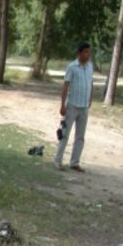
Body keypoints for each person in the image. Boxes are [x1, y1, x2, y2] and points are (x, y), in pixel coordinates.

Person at [54, 42, 94, 172]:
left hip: (84, 107)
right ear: (79, 53)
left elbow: (91, 83)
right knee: (65, 133)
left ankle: (75, 162)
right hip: (72, 106)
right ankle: (58, 161)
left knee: (80, 136)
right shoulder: (72, 67)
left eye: (89, 52)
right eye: (86, 52)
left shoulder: (90, 67)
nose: (88, 54)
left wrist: (90, 98)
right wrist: (62, 104)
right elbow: (66, 86)